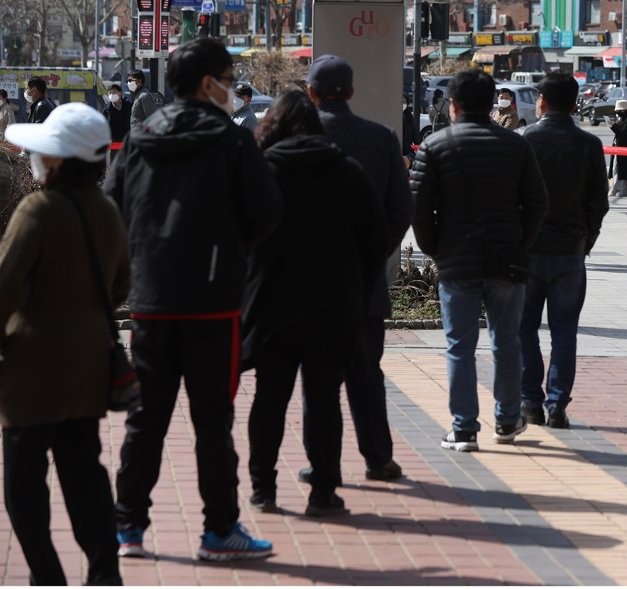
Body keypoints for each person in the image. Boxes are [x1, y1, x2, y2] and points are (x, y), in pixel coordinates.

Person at [104, 38, 283, 561]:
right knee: (212, 421)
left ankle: (127, 528)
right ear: (208, 84)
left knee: (145, 420)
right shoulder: (231, 142)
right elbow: (267, 214)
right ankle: (219, 529)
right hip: (214, 305)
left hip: (150, 303)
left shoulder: (139, 137)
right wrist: (228, 248)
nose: (232, 87)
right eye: (228, 78)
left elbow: (113, 207)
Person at [0, 102, 128, 585]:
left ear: (55, 160)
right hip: (89, 366)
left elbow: (5, 287)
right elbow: (121, 285)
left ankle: (48, 577)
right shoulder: (107, 211)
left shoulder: (38, 209)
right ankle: (103, 572)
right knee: (84, 474)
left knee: (23, 481)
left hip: (32, 371)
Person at [244, 90, 388, 516]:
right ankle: (324, 491)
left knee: (269, 397)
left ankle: (262, 488)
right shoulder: (348, 172)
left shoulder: (263, 171)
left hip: (273, 305)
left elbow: (239, 235)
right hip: (333, 306)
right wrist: (356, 288)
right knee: (324, 399)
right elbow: (377, 240)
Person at [410, 68, 548, 452]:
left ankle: (464, 428)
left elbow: (419, 208)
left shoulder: (436, 146)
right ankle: (506, 421)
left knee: (459, 345)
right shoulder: (517, 146)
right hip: (507, 259)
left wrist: (434, 248)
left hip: (456, 260)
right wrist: (521, 241)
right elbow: (538, 202)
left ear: (452, 105)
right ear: (492, 104)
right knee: (507, 343)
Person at [302, 54, 412, 484]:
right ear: (350, 91)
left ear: (310, 93)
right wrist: (376, 249)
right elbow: (401, 207)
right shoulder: (381, 137)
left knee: (318, 379)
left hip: (308, 283)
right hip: (364, 280)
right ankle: (378, 457)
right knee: (367, 376)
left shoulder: (296, 136)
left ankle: (321, 463)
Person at [518, 72, 608, 429]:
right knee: (565, 329)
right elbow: (598, 202)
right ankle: (557, 404)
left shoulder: (524, 140)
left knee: (523, 328)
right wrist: (587, 241)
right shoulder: (588, 145)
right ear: (575, 104)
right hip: (570, 251)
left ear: (541, 100)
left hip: (528, 250)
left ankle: (530, 401)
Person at [608, 99, 627, 199]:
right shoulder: (623, 120)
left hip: (623, 148)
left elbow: (623, 134)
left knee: (619, 169)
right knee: (618, 169)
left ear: (623, 110)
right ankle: (622, 192)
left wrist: (613, 126)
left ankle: (615, 188)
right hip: (618, 148)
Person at [401, 94, 418, 168]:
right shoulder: (396, 114)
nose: (403, 104)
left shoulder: (409, 116)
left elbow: (414, 133)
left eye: (404, 102)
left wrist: (418, 146)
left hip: (407, 148)